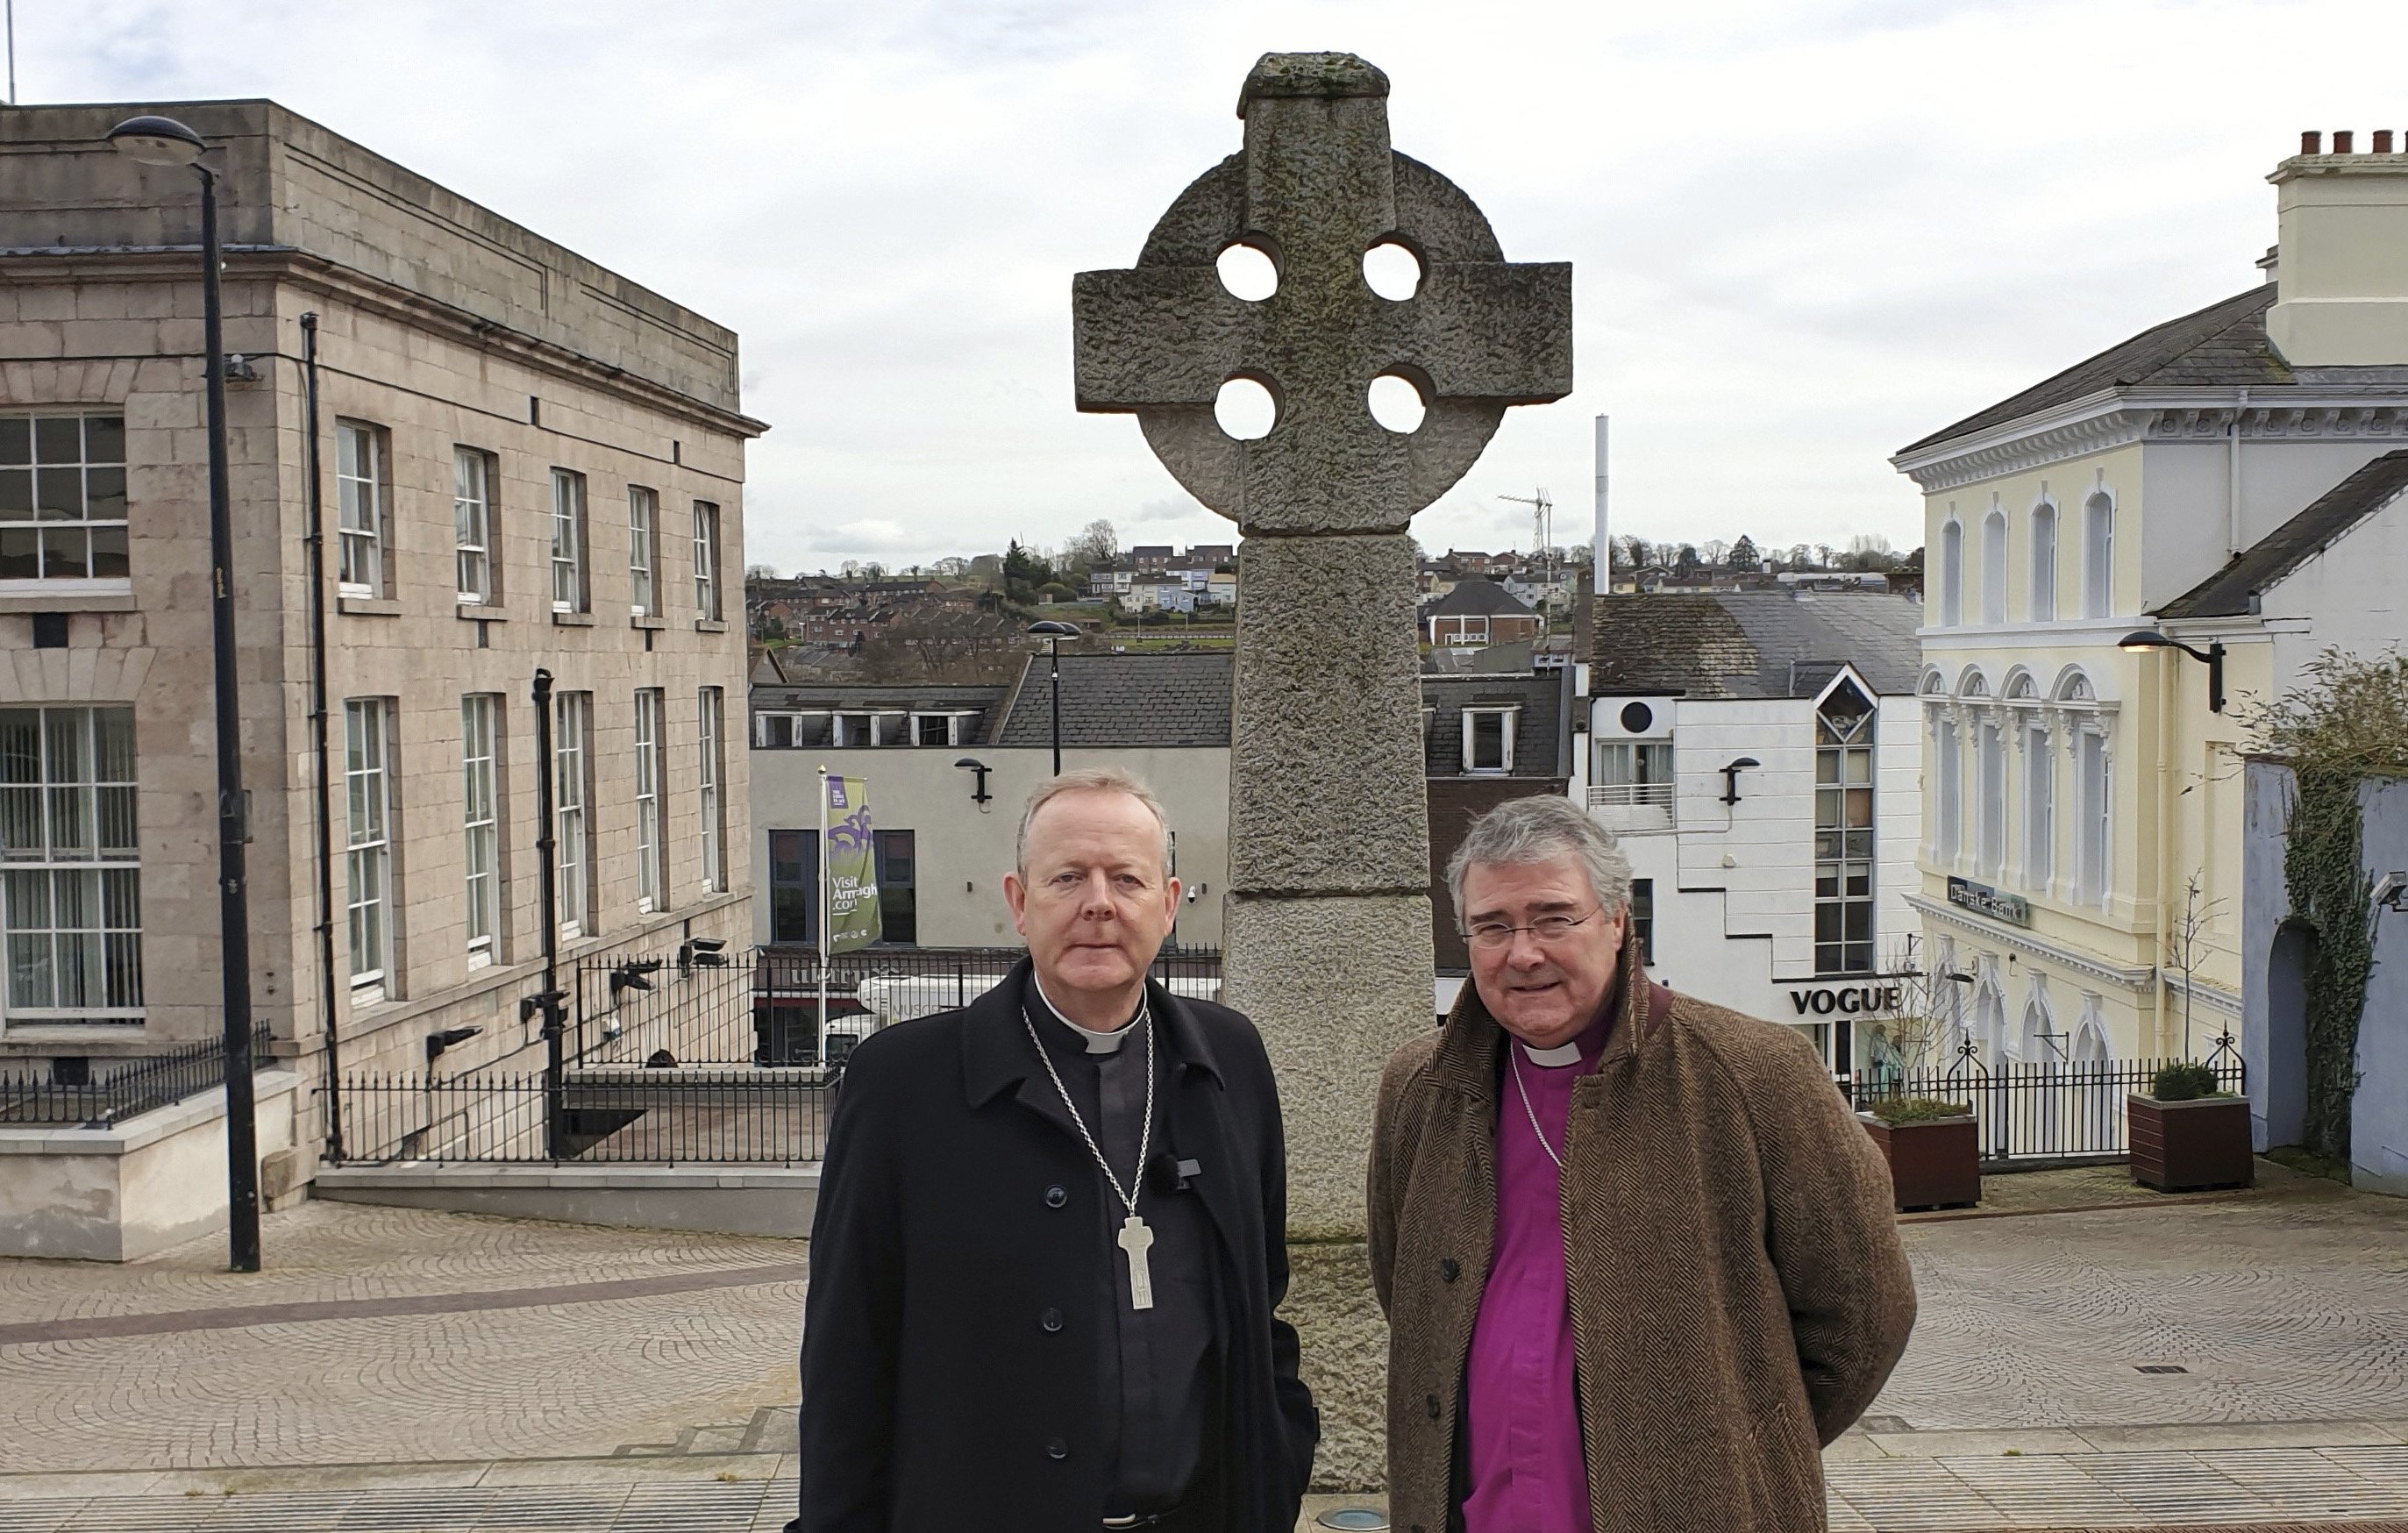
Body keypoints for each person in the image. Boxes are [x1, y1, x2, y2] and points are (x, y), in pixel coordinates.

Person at [1368, 795, 1914, 1532]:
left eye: (1554, 918)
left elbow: (1864, 1312)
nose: (1523, 952)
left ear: (1619, 920)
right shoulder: (1421, 1088)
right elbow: (1406, 1290)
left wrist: (1743, 1448)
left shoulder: (1754, 1073)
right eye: (1493, 926)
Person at [793, 767, 1318, 1532]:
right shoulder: (903, 1085)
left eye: (1127, 879)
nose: (1098, 903)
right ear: (1019, 903)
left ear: (1168, 906)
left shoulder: (1229, 1060)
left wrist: (1280, 1456)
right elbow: (847, 1352)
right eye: (1068, 876)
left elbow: (1261, 1294)